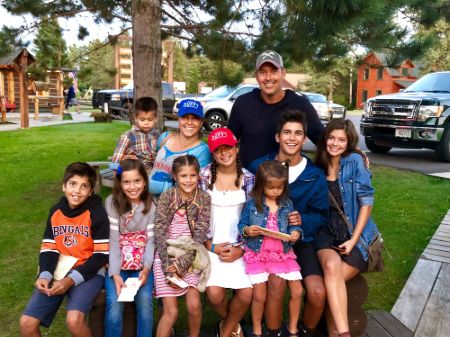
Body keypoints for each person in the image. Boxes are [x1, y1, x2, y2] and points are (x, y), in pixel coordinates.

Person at [250, 110, 329, 337]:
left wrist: (302, 221)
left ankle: (303, 330)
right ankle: (273, 331)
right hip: (268, 241)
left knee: (316, 292)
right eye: (286, 132)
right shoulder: (259, 167)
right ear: (277, 137)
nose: (292, 138)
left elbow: (321, 214)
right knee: (276, 284)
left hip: (301, 241)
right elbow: (248, 204)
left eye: (298, 133)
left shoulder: (314, 175)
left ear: (305, 139)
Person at [20, 162, 109, 337]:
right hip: (60, 269)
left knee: (74, 320)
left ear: (91, 191)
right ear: (64, 186)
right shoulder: (56, 211)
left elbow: (101, 255)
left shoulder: (97, 213)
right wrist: (45, 274)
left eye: (84, 186)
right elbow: (49, 247)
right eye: (73, 184)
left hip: (89, 271)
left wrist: (70, 280)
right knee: (27, 323)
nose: (77, 191)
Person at [314, 119, 380, 337]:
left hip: (355, 237)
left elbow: (366, 202)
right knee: (332, 280)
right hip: (327, 234)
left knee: (331, 286)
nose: (335, 143)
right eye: (331, 138)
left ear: (349, 142)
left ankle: (339, 334)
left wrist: (353, 240)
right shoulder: (318, 166)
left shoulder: (354, 161)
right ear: (325, 139)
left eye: (341, 139)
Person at [198, 128, 254, 337]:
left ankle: (225, 330)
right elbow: (196, 216)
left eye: (228, 147)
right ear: (213, 153)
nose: (224, 153)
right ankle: (234, 327)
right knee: (214, 294)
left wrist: (241, 250)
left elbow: (255, 219)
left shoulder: (249, 179)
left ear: (236, 148)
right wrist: (209, 244)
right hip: (211, 247)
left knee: (247, 294)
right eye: (218, 150)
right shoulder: (203, 176)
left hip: (239, 247)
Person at [228, 50, 324, 169]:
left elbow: (323, 140)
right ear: (256, 76)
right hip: (250, 180)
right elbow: (228, 143)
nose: (268, 78)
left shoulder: (300, 104)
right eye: (263, 72)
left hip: (288, 181)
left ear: (283, 73)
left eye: (274, 71)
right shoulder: (243, 103)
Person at [239, 160, 303, 337]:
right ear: (261, 185)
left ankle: (293, 329)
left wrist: (296, 232)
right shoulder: (253, 204)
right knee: (259, 296)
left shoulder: (287, 203)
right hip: (258, 253)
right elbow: (242, 224)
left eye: (280, 188)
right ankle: (257, 329)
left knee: (298, 291)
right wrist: (247, 230)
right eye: (271, 187)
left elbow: (293, 226)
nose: (276, 191)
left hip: (282, 253)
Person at [153, 155, 211, 337]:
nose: (188, 180)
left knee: (194, 305)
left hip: (191, 255)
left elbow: (199, 236)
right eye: (183, 176)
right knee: (171, 312)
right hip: (166, 256)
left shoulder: (203, 199)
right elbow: (160, 233)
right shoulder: (167, 197)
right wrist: (169, 267)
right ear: (175, 177)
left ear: (198, 176)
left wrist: (183, 263)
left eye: (192, 175)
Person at [104, 159, 156, 337]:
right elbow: (113, 241)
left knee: (145, 301)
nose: (132, 187)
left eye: (137, 181)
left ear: (144, 181)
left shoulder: (151, 206)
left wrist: (147, 268)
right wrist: (115, 273)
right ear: (119, 183)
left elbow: (150, 241)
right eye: (126, 182)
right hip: (118, 263)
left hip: (142, 265)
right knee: (114, 302)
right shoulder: (112, 203)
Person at [149, 98, 210, 196]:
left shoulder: (203, 151)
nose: (189, 122)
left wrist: (153, 187)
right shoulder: (165, 137)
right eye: (185, 117)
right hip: (147, 201)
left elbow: (194, 186)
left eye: (195, 118)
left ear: (201, 123)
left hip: (172, 205)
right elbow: (150, 161)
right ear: (178, 119)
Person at [111, 97, 160, 174]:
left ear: (156, 119)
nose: (146, 123)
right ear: (136, 118)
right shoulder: (128, 136)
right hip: (134, 174)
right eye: (142, 119)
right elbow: (116, 159)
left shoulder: (157, 135)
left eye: (150, 120)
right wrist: (117, 177)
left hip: (152, 173)